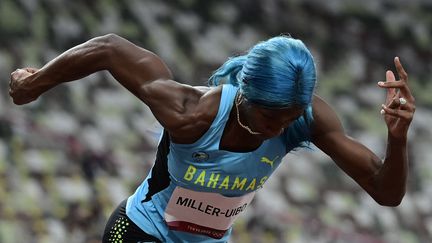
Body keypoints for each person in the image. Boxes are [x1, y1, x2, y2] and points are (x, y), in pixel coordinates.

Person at [9, 33, 415, 243]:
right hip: (139, 233)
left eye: (289, 119)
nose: (279, 130)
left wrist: (397, 140)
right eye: (270, 117)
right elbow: (110, 49)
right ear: (247, 94)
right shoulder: (192, 113)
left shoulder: (304, 119)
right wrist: (36, 83)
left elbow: (386, 192)